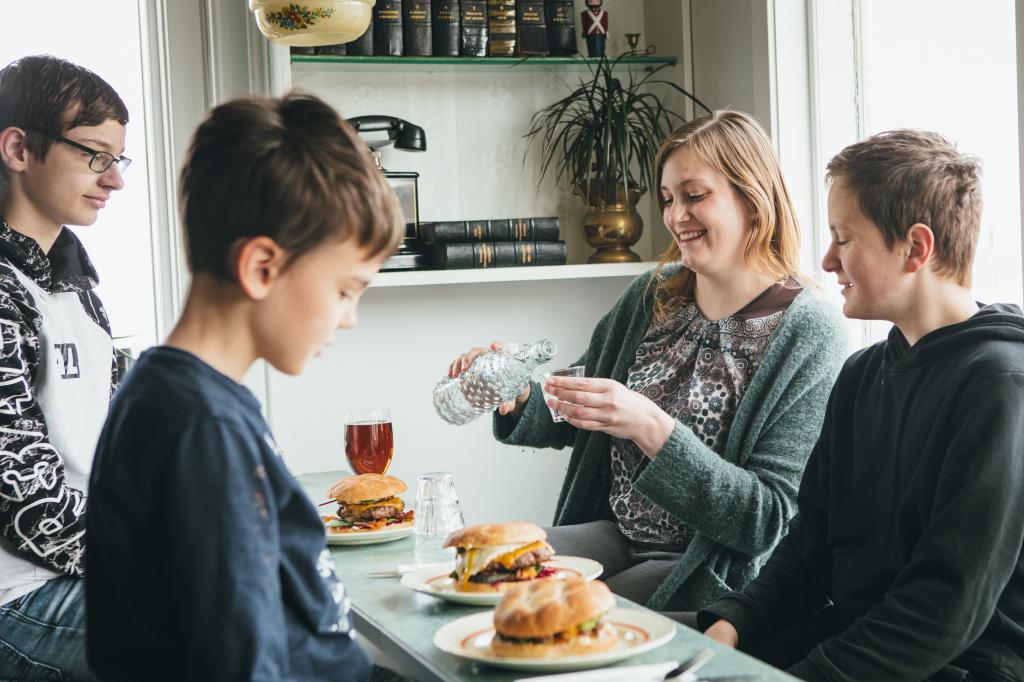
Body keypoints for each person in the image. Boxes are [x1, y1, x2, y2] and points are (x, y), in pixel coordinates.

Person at [448, 110, 847, 612]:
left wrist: (649, 426)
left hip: (706, 564)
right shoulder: (653, 295)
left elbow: (764, 519)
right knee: (474, 575)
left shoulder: (810, 330)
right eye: (666, 199)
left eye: (694, 195)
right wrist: (518, 391)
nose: (676, 215)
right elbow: (581, 400)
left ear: (752, 196)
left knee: (543, 618)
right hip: (614, 534)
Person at [85, 93, 403, 681]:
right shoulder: (200, 428)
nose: (349, 317)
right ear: (262, 267)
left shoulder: (190, 401)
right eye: (344, 290)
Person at [699, 130, 1024, 681]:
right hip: (850, 638)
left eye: (843, 238)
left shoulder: (1000, 384)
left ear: (917, 248)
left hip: (958, 666)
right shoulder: (861, 373)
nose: (826, 260)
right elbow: (810, 545)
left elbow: (944, 607)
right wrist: (733, 625)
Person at [0, 55, 129, 681]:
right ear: (19, 148)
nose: (114, 181)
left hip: (74, 573)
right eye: (94, 155)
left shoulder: (73, 286)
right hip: (17, 597)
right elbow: (22, 496)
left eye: (117, 160)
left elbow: (123, 417)